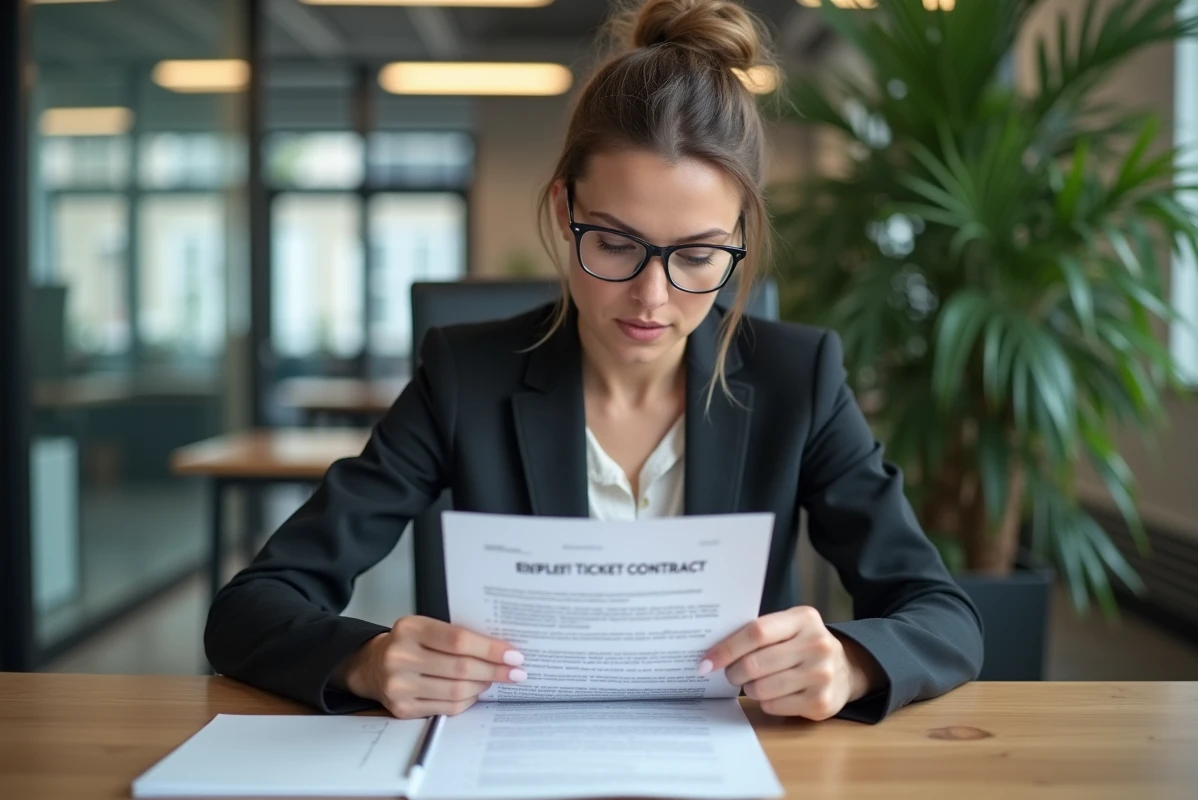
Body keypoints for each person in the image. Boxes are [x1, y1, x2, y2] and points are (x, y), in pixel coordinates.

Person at [205, 0, 983, 725]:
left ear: (739, 238)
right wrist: (365, 660)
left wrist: (851, 662)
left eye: (698, 255)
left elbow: (942, 615)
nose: (652, 296)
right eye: (613, 243)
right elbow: (251, 607)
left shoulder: (797, 378)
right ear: (563, 211)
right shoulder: (466, 378)